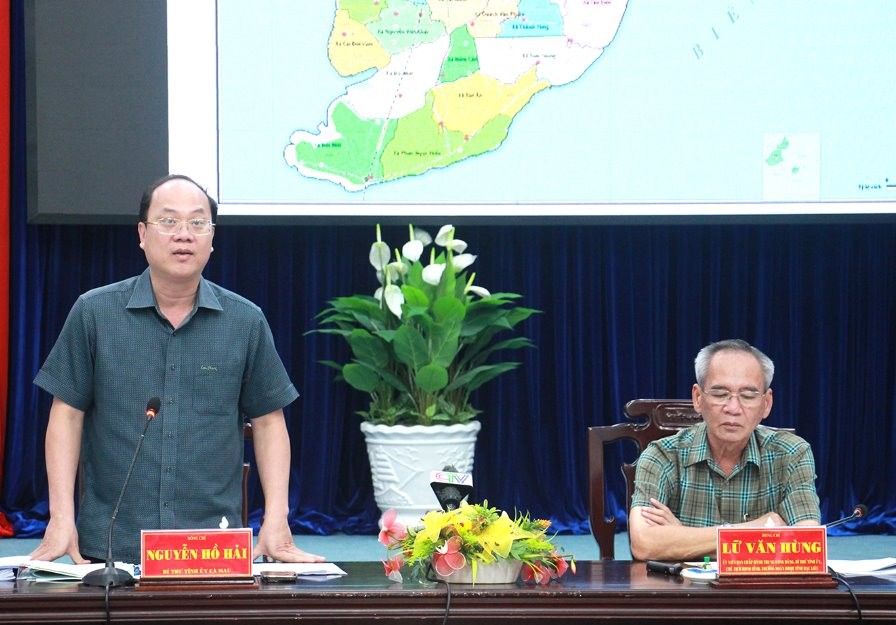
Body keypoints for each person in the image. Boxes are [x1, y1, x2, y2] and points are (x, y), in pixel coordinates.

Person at [29, 174, 325, 565]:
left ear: (212, 237)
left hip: (213, 547)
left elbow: (269, 422)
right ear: (142, 233)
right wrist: (61, 518)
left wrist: (277, 519)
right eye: (168, 221)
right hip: (114, 547)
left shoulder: (245, 320)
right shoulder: (94, 313)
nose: (184, 234)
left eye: (197, 222)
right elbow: (66, 416)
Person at [628, 339, 820, 561]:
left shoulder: (792, 454)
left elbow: (807, 543)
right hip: (683, 592)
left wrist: (684, 537)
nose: (733, 408)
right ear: (698, 398)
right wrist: (758, 529)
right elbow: (644, 544)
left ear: (766, 403)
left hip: (762, 593)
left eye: (748, 396)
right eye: (720, 394)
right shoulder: (662, 455)